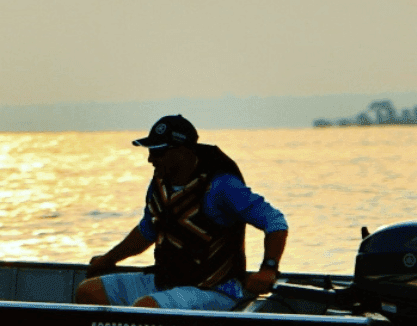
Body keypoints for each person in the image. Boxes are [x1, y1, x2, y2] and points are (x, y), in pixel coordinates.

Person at [74, 115, 288, 311]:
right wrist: (108, 260)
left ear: (183, 151)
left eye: (157, 152)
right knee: (88, 292)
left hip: (214, 290)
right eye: (150, 151)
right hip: (165, 281)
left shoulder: (222, 186)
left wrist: (268, 269)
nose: (150, 159)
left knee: (146, 308)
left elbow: (275, 221)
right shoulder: (159, 185)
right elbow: (147, 231)